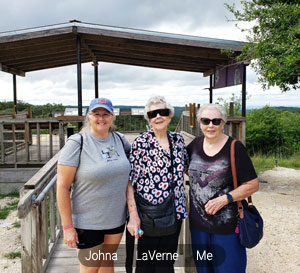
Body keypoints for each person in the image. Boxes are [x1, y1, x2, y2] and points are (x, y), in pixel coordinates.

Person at [57, 98, 131, 273]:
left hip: (115, 219)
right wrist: (67, 228)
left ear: (112, 117)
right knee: (91, 268)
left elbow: (135, 166)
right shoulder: (77, 142)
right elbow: (62, 186)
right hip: (87, 222)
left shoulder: (120, 140)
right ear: (88, 117)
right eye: (96, 114)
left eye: (105, 114)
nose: (101, 118)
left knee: (107, 264)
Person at [186, 103, 259, 273]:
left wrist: (225, 198)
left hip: (227, 229)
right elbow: (185, 168)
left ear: (223, 123)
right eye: (205, 121)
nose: (210, 125)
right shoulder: (194, 145)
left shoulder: (235, 148)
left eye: (215, 121)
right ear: (200, 123)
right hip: (198, 228)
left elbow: (252, 184)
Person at [126, 95, 188, 273]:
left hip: (175, 211)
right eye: (153, 113)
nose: (158, 117)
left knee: (166, 264)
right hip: (149, 214)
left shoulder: (178, 140)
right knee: (146, 264)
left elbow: (187, 167)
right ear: (148, 118)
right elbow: (130, 180)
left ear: (170, 115)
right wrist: (133, 215)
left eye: (163, 112)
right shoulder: (141, 143)